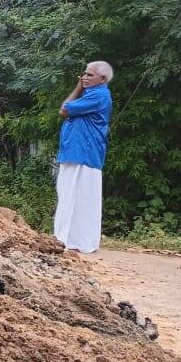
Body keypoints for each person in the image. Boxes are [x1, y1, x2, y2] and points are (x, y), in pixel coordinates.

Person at [54, 60, 114, 254]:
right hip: (78, 152)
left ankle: (70, 240)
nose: (84, 78)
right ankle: (76, 240)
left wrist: (78, 87)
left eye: (89, 75)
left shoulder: (97, 95)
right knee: (75, 197)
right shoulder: (95, 94)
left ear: (102, 79)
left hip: (83, 153)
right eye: (84, 74)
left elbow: (64, 109)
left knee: (77, 197)